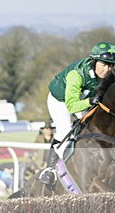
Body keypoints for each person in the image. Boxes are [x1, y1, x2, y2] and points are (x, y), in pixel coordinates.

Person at [39, 42, 115, 185]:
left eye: (110, 65)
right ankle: (50, 170)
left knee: (91, 126)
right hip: (61, 100)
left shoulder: (109, 73)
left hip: (85, 99)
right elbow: (72, 106)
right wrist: (90, 101)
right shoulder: (77, 74)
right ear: (94, 61)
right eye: (104, 64)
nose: (107, 69)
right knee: (65, 131)